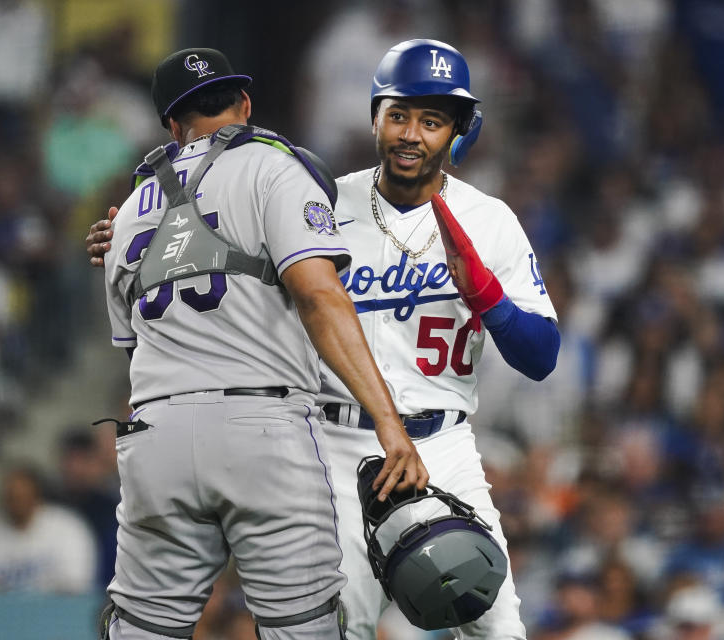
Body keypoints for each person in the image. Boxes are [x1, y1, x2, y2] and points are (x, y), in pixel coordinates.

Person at [88, 40, 559, 639]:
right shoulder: (320, 198)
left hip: (444, 449)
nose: (411, 134)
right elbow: (210, 255)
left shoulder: (489, 220)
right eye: (398, 115)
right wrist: (132, 233)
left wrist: (487, 297)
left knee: (498, 630)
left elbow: (541, 357)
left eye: (432, 120)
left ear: (460, 130)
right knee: (338, 629)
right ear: (374, 117)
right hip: (331, 444)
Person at [96, 47, 427, 640]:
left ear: (172, 126)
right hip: (260, 427)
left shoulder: (123, 219)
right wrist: (388, 423)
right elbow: (320, 296)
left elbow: (134, 348)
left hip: (154, 435)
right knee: (302, 628)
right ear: (243, 104)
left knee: (141, 629)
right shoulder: (272, 166)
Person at [0, 464, 97, 594]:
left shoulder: (68, 529)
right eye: (11, 497)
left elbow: (77, 588)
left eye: (23, 496)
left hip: (56, 612)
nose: (17, 503)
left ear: (37, 496)